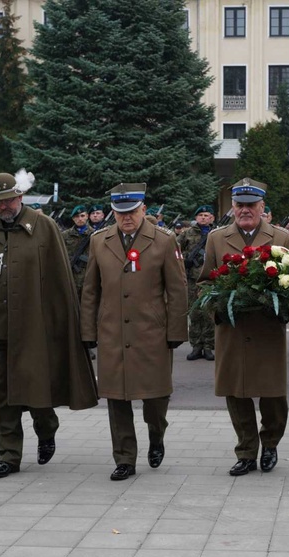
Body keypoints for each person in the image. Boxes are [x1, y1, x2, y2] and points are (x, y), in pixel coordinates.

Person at [0, 171, 98, 479]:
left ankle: (47, 428)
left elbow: (61, 280)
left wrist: (67, 324)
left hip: (35, 327)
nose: (3, 207)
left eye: (8, 200)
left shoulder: (43, 227)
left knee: (36, 390)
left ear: (19, 197)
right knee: (2, 394)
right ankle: (8, 456)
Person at [81, 184, 188, 481]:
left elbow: (178, 289)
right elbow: (90, 290)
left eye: (132, 211)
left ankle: (157, 434)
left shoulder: (164, 241)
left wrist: (176, 329)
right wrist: (88, 330)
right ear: (113, 212)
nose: (126, 218)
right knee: (117, 398)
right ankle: (125, 458)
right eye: (120, 212)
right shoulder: (99, 241)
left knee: (156, 397)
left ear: (143, 209)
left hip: (151, 332)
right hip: (112, 331)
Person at [198, 178, 289, 476]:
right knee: (236, 392)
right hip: (233, 329)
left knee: (273, 395)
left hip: (267, 328)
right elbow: (205, 282)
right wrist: (218, 310)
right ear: (232, 207)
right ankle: (246, 451)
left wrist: (281, 308)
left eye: (251, 205)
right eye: (240, 205)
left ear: (262, 207)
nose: (245, 210)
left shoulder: (282, 238)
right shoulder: (217, 238)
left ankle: (271, 443)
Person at [179, 205, 216, 361]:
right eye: (200, 215)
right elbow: (174, 251)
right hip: (192, 279)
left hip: (210, 279)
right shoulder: (186, 234)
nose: (203, 218)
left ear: (212, 218)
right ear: (196, 218)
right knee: (194, 313)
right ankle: (196, 346)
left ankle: (208, 346)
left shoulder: (216, 234)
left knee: (208, 313)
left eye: (207, 215)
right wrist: (184, 262)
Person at [61, 205, 92, 300]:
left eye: (82, 216)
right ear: (73, 219)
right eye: (77, 217)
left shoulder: (94, 234)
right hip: (70, 276)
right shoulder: (65, 235)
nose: (80, 219)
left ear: (87, 216)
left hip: (88, 277)